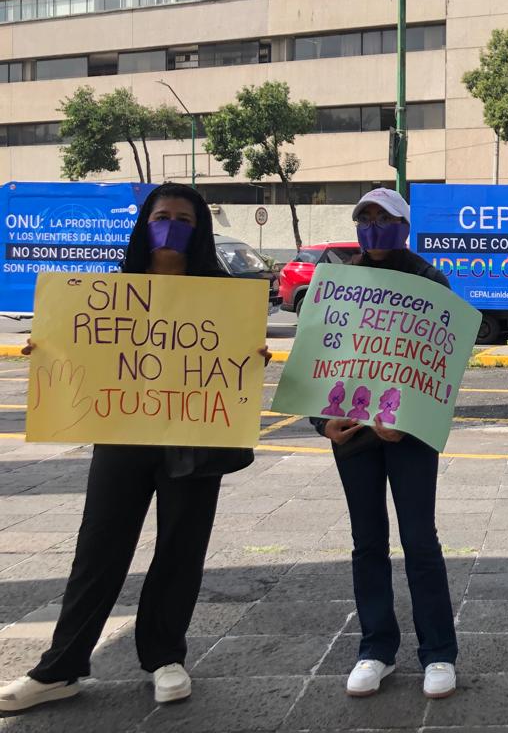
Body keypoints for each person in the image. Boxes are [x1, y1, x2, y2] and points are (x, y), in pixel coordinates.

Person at [0, 183, 268, 712]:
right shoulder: (111, 290)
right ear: (144, 223)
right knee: (99, 548)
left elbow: (239, 357)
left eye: (185, 219)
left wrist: (252, 352)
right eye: (162, 215)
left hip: (195, 438)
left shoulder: (223, 293)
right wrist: (49, 348)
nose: (172, 225)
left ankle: (165, 657)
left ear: (201, 229)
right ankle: (61, 667)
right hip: (122, 435)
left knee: (181, 548)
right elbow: (82, 348)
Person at [311, 188, 459, 700]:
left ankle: (438, 653)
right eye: (365, 219)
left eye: (384, 218)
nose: (374, 227)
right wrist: (320, 422)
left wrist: (413, 422)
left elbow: (443, 363)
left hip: (408, 437)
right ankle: (375, 648)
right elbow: (316, 354)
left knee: (420, 541)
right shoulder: (336, 278)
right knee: (367, 542)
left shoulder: (429, 280)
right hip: (351, 433)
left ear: (404, 225)